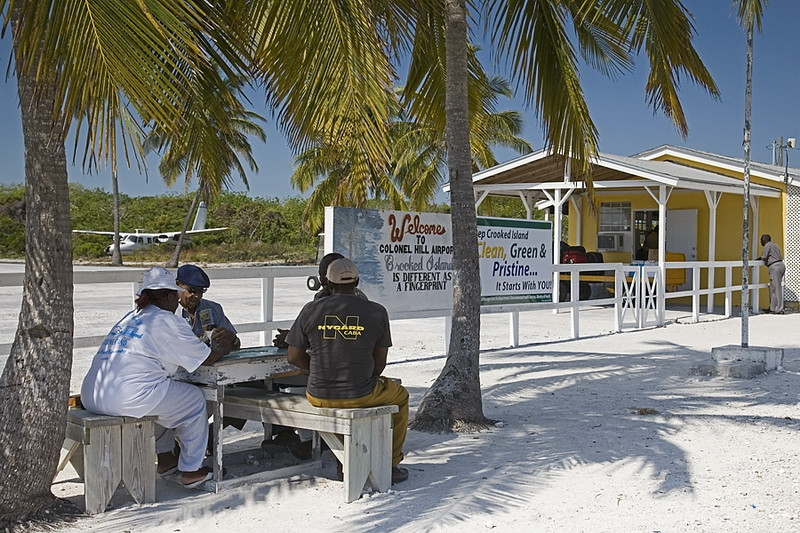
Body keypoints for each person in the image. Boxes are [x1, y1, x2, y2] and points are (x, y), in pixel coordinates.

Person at [80, 267, 235, 488]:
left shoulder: (130, 317)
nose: (177, 300)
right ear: (168, 296)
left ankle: (166, 460)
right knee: (193, 400)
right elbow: (206, 359)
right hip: (125, 397)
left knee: (164, 398)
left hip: (93, 395)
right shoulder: (166, 320)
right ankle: (192, 470)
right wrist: (223, 347)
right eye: (175, 295)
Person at [286, 258, 409, 484]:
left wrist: (318, 370)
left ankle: (344, 460)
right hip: (360, 393)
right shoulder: (377, 311)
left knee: (337, 404)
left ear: (328, 283)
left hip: (318, 394)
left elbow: (293, 356)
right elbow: (379, 363)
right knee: (401, 396)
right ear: (357, 282)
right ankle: (390, 464)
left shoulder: (310, 309)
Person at [176, 264, 240, 351]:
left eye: (201, 291)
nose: (197, 296)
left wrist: (232, 338)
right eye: (192, 290)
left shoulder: (213, 308)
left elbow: (236, 345)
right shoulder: (169, 313)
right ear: (178, 285)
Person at [760, 234, 785, 314]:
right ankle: (772, 308)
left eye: (761, 240)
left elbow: (764, 257)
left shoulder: (767, 245)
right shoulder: (775, 244)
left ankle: (779, 309)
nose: (761, 242)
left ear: (764, 240)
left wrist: (757, 259)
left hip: (775, 267)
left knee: (776, 288)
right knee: (773, 287)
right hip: (780, 265)